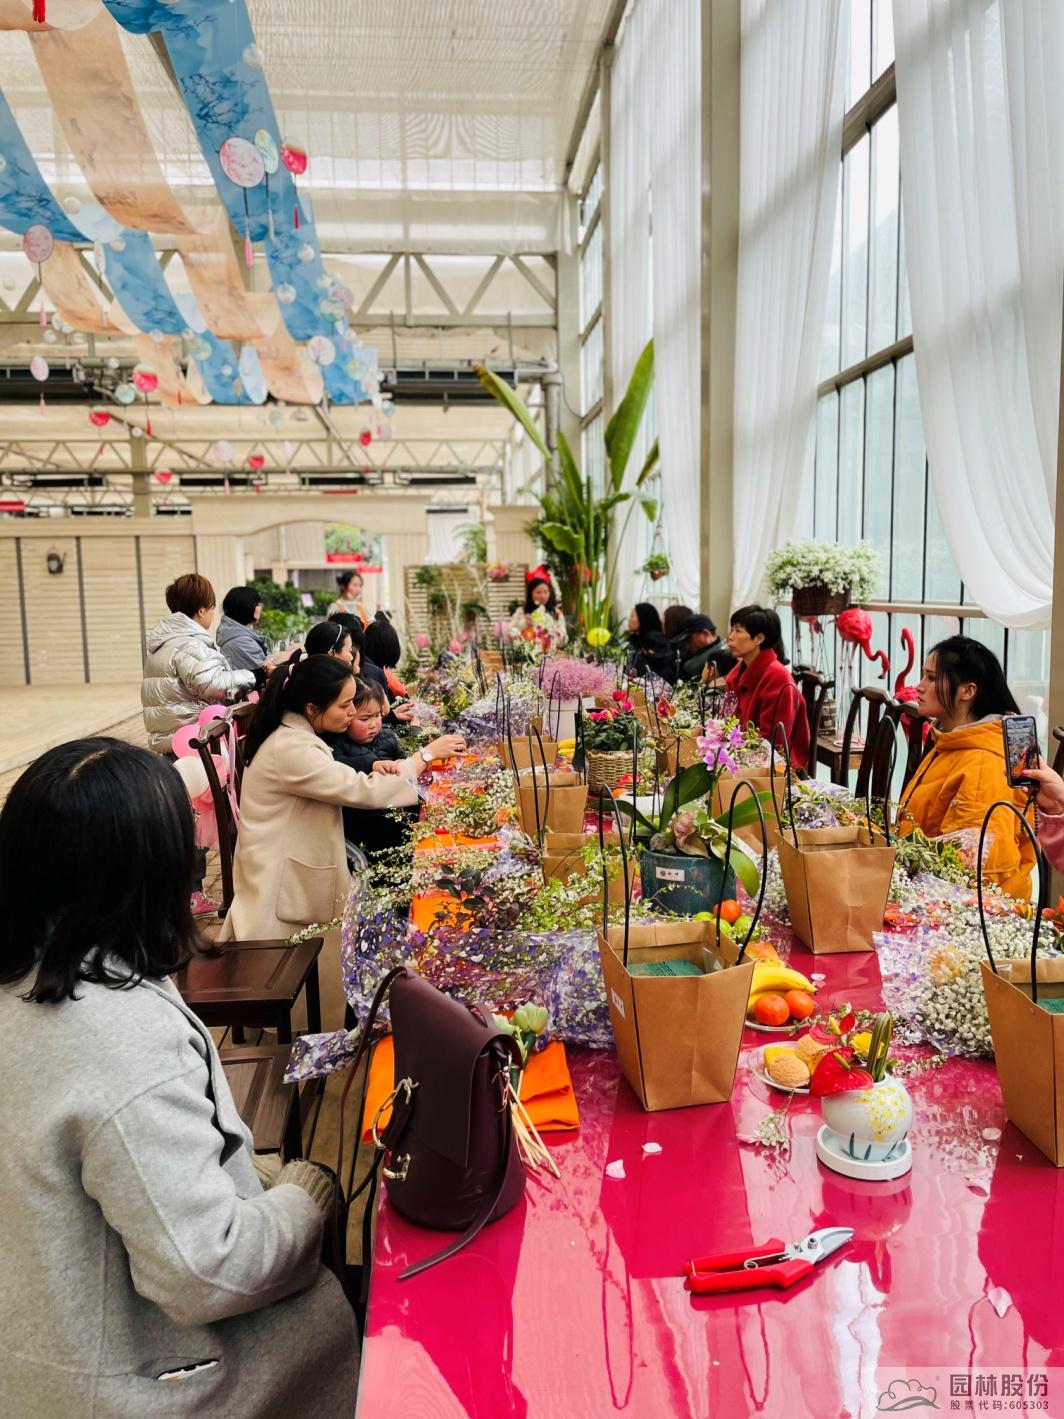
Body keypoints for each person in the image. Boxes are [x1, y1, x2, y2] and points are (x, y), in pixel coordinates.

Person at [0, 738, 359, 1419]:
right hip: (133, 1381)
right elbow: (206, 1269)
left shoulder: (29, 977)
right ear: (151, 872)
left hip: (39, 1347)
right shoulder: (116, 1035)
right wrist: (307, 1195)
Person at [219, 656, 418, 1018]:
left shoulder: (294, 735)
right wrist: (422, 760)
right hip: (277, 886)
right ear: (312, 708)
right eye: (345, 705)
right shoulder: (291, 748)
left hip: (287, 868)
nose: (352, 712)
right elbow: (361, 790)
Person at [142, 573, 265, 915]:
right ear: (201, 610)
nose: (212, 614)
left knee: (181, 816)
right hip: (190, 740)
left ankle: (182, 894)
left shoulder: (166, 639)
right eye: (211, 607)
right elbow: (211, 683)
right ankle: (190, 894)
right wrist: (253, 676)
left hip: (171, 738)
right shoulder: (189, 642)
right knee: (196, 817)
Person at [897, 635, 1036, 899]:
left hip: (964, 909)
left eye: (931, 678)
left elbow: (971, 876)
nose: (919, 687)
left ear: (967, 691)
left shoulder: (982, 764)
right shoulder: (952, 741)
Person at [327, 678, 465, 862]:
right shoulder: (336, 747)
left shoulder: (386, 735)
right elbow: (344, 769)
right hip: (368, 826)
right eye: (364, 719)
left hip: (399, 814)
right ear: (347, 717)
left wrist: (406, 763)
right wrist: (373, 764)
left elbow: (405, 761)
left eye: (377, 715)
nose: (373, 724)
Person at [721, 606, 809, 764]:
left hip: (775, 765)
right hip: (742, 755)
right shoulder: (737, 673)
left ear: (759, 639)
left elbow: (773, 740)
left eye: (738, 630)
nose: (730, 637)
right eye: (731, 629)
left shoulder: (777, 678)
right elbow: (727, 722)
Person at [670, 612, 737, 683]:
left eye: (689, 639)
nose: (687, 644)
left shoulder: (723, 659)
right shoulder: (693, 654)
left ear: (705, 634)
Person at [217, 585, 269, 673]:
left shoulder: (235, 633)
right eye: (258, 604)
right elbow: (266, 670)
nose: (261, 608)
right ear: (247, 608)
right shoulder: (241, 641)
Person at [510, 572, 567, 648]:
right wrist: (524, 623)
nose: (543, 596)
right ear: (531, 594)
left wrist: (553, 637)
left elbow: (563, 634)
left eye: (546, 592)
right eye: (538, 592)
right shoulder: (521, 611)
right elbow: (511, 631)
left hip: (551, 651)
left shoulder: (556, 612)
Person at [626, 603, 672, 680]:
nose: (629, 620)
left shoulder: (655, 642)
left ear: (643, 618)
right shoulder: (636, 640)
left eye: (632, 616)